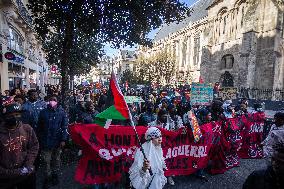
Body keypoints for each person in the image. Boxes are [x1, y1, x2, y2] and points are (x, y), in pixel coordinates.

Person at [0, 103, 39, 189]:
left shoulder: (27, 129)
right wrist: (9, 173)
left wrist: (28, 165)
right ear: (5, 116)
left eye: (17, 114)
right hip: (5, 179)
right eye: (11, 115)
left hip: (26, 175)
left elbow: (34, 147)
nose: (15, 117)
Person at [38, 95, 68, 188]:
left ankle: (55, 175)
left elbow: (64, 127)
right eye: (50, 100)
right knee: (46, 161)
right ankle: (47, 177)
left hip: (57, 141)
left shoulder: (62, 112)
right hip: (46, 141)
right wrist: (40, 139)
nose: (52, 101)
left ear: (57, 101)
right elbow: (40, 127)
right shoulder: (43, 112)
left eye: (54, 100)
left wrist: (63, 139)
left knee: (56, 159)